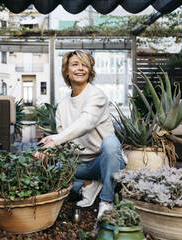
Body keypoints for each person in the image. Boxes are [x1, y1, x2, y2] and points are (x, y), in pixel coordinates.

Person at [34, 50, 126, 219]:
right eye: (75, 64)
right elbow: (64, 141)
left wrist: (55, 139)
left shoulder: (97, 95)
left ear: (90, 71)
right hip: (79, 166)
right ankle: (89, 183)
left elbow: (86, 122)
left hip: (105, 160)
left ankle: (106, 201)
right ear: (66, 72)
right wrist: (47, 150)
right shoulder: (62, 106)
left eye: (85, 65)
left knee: (111, 143)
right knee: (50, 164)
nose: (80, 69)